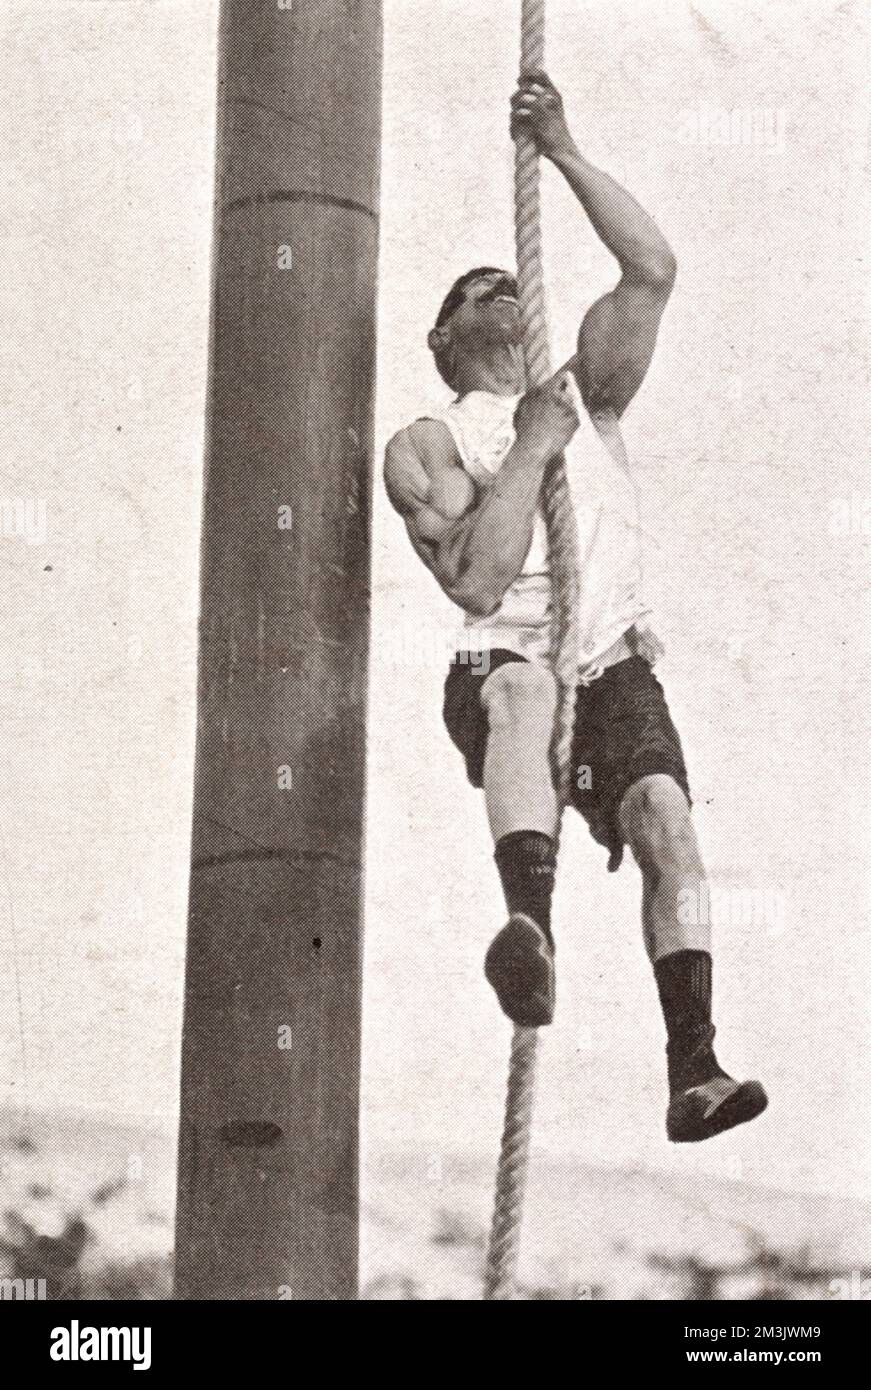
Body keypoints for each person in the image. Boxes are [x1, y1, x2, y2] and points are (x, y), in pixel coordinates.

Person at [384, 71, 766, 1142]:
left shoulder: (584, 393)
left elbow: (650, 269)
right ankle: (529, 927)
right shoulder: (434, 440)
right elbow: (475, 581)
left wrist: (559, 147)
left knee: (666, 820)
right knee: (518, 689)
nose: (500, 290)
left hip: (611, 660)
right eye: (473, 291)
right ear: (444, 339)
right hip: (507, 659)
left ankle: (692, 1063)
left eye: (509, 280)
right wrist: (533, 450)